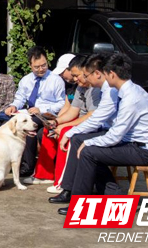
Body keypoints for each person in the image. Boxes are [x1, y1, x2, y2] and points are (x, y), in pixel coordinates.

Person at [55, 53, 148, 216]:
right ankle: (113, 196)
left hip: (142, 150)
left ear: (111, 74)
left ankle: (80, 205)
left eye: (103, 73)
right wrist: (77, 136)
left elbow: (116, 134)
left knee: (88, 152)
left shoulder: (130, 97)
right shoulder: (121, 90)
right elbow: (102, 121)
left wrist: (89, 143)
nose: (101, 77)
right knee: (82, 143)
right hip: (130, 143)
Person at [24, 54, 101, 186]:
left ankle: (62, 183)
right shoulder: (80, 87)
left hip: (93, 125)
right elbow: (72, 110)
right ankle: (44, 175)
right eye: (74, 75)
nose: (74, 79)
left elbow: (91, 116)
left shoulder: (96, 89)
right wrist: (56, 122)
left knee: (65, 132)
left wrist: (63, 125)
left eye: (77, 75)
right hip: (81, 121)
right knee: (49, 130)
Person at [50, 53, 119, 196]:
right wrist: (57, 122)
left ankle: (72, 190)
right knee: (79, 142)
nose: (76, 80)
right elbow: (76, 111)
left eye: (81, 75)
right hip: (109, 130)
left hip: (119, 136)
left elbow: (94, 117)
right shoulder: (103, 89)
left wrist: (69, 131)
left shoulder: (105, 90)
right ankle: (70, 189)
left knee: (81, 144)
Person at [4, 46, 65, 177]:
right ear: (30, 65)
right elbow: (20, 98)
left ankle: (28, 166)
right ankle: (13, 161)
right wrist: (13, 106)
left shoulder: (56, 80)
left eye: (43, 65)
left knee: (28, 128)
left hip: (47, 115)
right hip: (30, 113)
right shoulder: (26, 80)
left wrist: (42, 109)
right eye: (36, 67)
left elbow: (61, 103)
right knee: (9, 123)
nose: (41, 69)